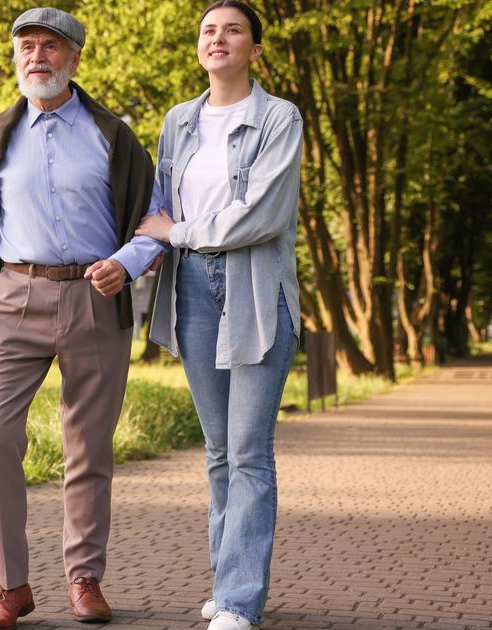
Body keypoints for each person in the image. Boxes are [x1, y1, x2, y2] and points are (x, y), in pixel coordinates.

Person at [0, 7, 165, 629]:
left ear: (74, 57)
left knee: (88, 445)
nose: (37, 56)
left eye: (51, 46)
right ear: (15, 57)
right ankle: (10, 587)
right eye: (27, 46)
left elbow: (154, 221)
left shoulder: (113, 135)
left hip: (94, 294)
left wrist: (125, 264)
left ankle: (84, 579)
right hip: (14, 296)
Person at [131, 2, 304, 629]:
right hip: (192, 291)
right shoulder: (178, 121)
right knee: (219, 451)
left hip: (255, 289)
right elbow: (156, 208)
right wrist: (141, 250)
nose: (218, 38)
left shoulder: (279, 118)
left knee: (249, 451)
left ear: (254, 49)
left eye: (233, 30)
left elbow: (262, 215)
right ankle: (229, 582)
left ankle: (238, 602)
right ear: (199, 46)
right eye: (209, 30)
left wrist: (177, 233)